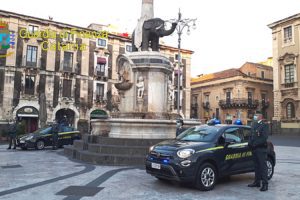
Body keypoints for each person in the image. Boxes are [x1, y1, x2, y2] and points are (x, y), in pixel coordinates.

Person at [248, 113, 269, 191]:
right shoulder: (253, 124)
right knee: (256, 166)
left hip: (261, 149)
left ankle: (265, 184)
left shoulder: (264, 125)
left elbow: (264, 137)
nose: (254, 116)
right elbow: (251, 135)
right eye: (254, 115)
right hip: (254, 148)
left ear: (260, 116)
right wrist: (249, 143)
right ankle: (257, 182)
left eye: (256, 115)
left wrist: (255, 144)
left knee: (263, 167)